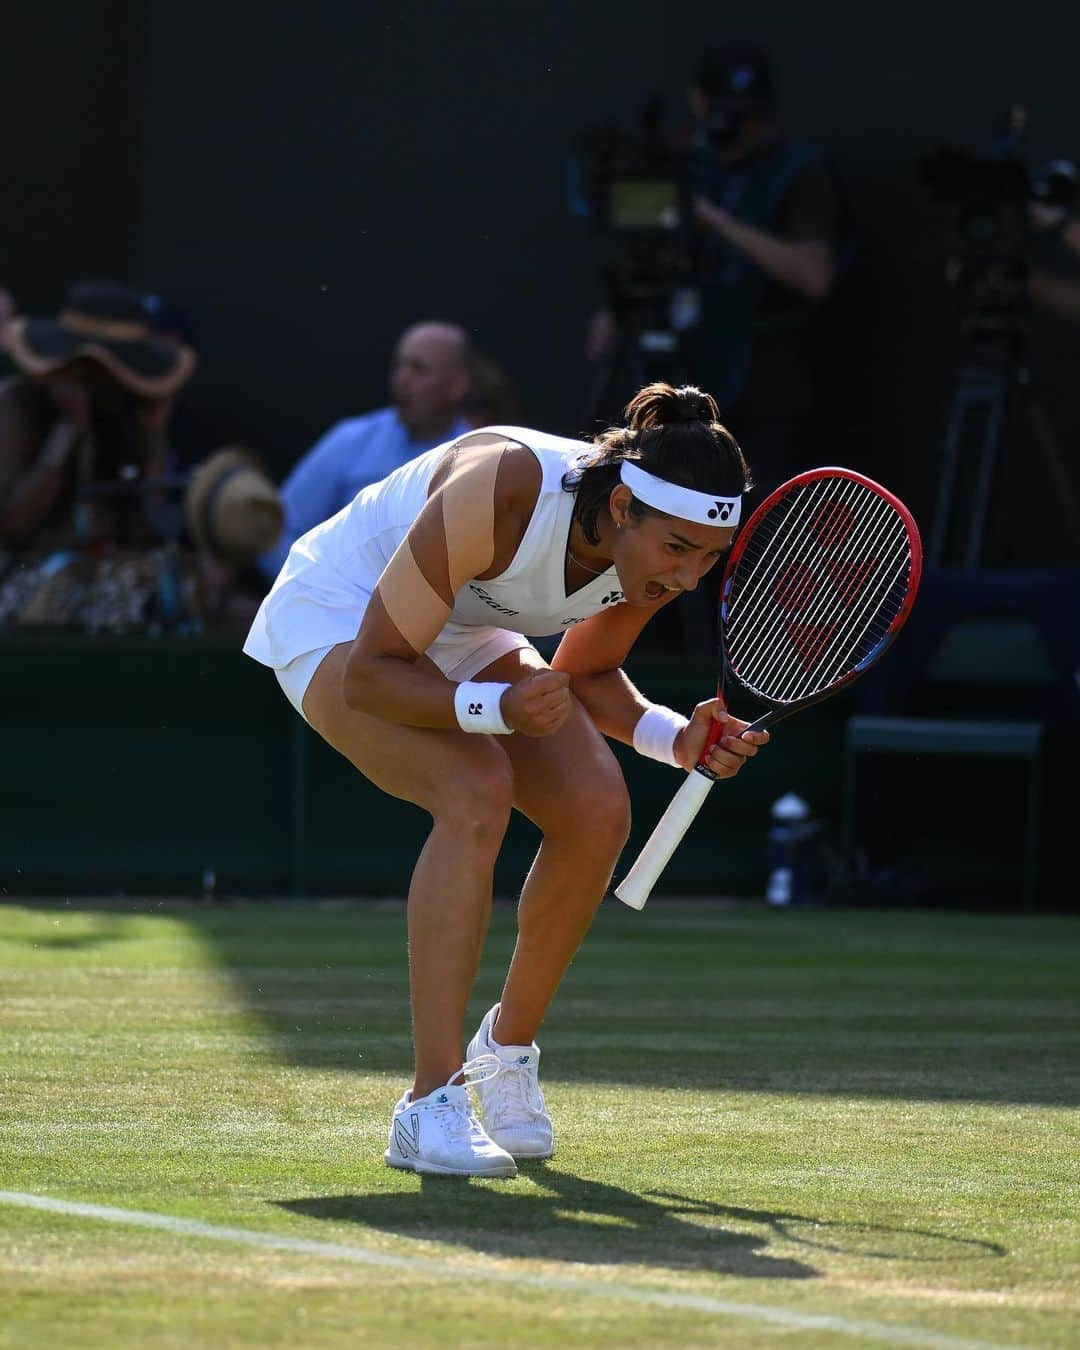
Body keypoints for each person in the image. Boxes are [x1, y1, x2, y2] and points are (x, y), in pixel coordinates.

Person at [243, 381, 769, 1177]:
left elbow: (586, 677)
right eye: (677, 550)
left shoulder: (649, 560)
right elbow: (374, 678)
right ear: (623, 507)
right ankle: (428, 1104)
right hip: (342, 621)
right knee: (474, 790)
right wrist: (497, 706)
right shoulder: (501, 486)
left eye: (707, 557)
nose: (690, 578)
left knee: (596, 810)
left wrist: (672, 737)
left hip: (460, 632)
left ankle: (506, 1053)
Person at [587, 45, 839, 504]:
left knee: (754, 507)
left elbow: (813, 275)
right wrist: (614, 309)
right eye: (723, 112)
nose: (734, 126)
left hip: (760, 376)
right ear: (699, 103)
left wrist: (710, 218)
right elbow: (639, 237)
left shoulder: (799, 170)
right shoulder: (687, 163)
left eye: (746, 116)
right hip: (684, 368)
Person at [258, 320, 473, 579]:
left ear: (457, 386)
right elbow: (274, 531)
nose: (401, 379)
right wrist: (322, 588)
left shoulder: (481, 460)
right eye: (398, 366)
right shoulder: (351, 440)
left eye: (419, 369)